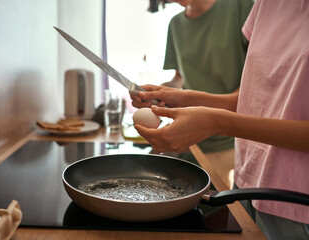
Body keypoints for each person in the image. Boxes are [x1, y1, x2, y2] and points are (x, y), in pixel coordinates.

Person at [130, 1, 309, 239]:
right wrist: (183, 98)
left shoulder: (240, 5)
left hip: (296, 203)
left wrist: (216, 123)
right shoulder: (267, 4)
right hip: (249, 183)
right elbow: (257, 97)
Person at [157, 0, 253, 188]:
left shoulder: (240, 6)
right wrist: (160, 92)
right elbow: (181, 79)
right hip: (193, 139)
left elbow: (257, 84)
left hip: (234, 139)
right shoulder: (176, 25)